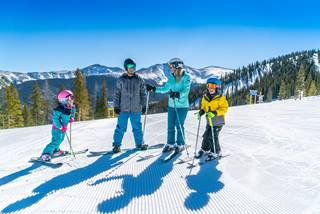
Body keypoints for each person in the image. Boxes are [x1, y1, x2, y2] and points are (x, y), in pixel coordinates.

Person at [146, 58, 191, 153]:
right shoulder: (171, 77)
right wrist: (154, 89)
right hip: (172, 105)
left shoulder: (186, 77)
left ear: (177, 66)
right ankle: (170, 143)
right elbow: (165, 88)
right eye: (169, 66)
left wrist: (177, 94)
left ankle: (180, 143)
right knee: (170, 125)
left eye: (171, 66)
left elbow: (186, 91)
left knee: (179, 124)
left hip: (182, 106)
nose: (170, 68)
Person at [112, 58, 148, 153]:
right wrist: (116, 106)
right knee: (120, 127)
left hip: (136, 109)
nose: (132, 68)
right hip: (123, 109)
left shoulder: (139, 80)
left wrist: (144, 106)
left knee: (137, 127)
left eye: (133, 67)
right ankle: (116, 145)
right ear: (126, 68)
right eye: (130, 67)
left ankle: (139, 144)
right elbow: (117, 94)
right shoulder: (121, 80)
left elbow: (143, 94)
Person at [195, 77, 229, 160]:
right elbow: (204, 107)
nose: (210, 88)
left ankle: (216, 152)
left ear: (217, 87)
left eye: (213, 86)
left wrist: (215, 113)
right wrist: (201, 112)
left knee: (213, 136)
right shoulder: (205, 97)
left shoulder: (221, 98)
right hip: (209, 121)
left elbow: (224, 108)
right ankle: (205, 149)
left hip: (218, 121)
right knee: (206, 135)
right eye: (209, 85)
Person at [40, 90, 76, 161]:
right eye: (70, 98)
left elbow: (72, 112)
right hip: (57, 129)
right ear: (63, 100)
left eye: (72, 97)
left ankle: (56, 151)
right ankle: (45, 154)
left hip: (64, 128)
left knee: (61, 140)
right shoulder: (58, 110)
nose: (71, 100)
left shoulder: (70, 107)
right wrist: (60, 126)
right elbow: (55, 119)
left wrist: (72, 117)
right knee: (56, 141)